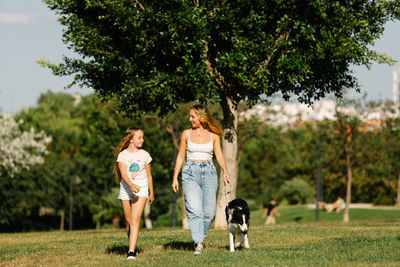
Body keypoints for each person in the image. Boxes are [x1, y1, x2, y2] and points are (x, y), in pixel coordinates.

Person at [172, 104, 231, 255]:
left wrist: (225, 171)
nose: (190, 119)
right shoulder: (186, 134)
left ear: (201, 117)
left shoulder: (213, 135)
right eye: (190, 116)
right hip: (190, 173)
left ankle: (201, 238)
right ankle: (198, 242)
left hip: (209, 172)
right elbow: (180, 156)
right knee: (194, 210)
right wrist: (175, 177)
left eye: (193, 116)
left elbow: (219, 155)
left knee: (209, 213)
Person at [113, 127, 154, 260]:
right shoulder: (122, 155)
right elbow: (124, 175)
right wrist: (131, 185)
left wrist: (151, 192)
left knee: (135, 220)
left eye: (142, 137)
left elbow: (149, 175)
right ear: (131, 139)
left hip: (141, 188)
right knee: (128, 221)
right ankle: (133, 245)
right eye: (139, 137)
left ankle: (131, 252)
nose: (142, 140)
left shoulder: (145, 155)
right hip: (126, 188)